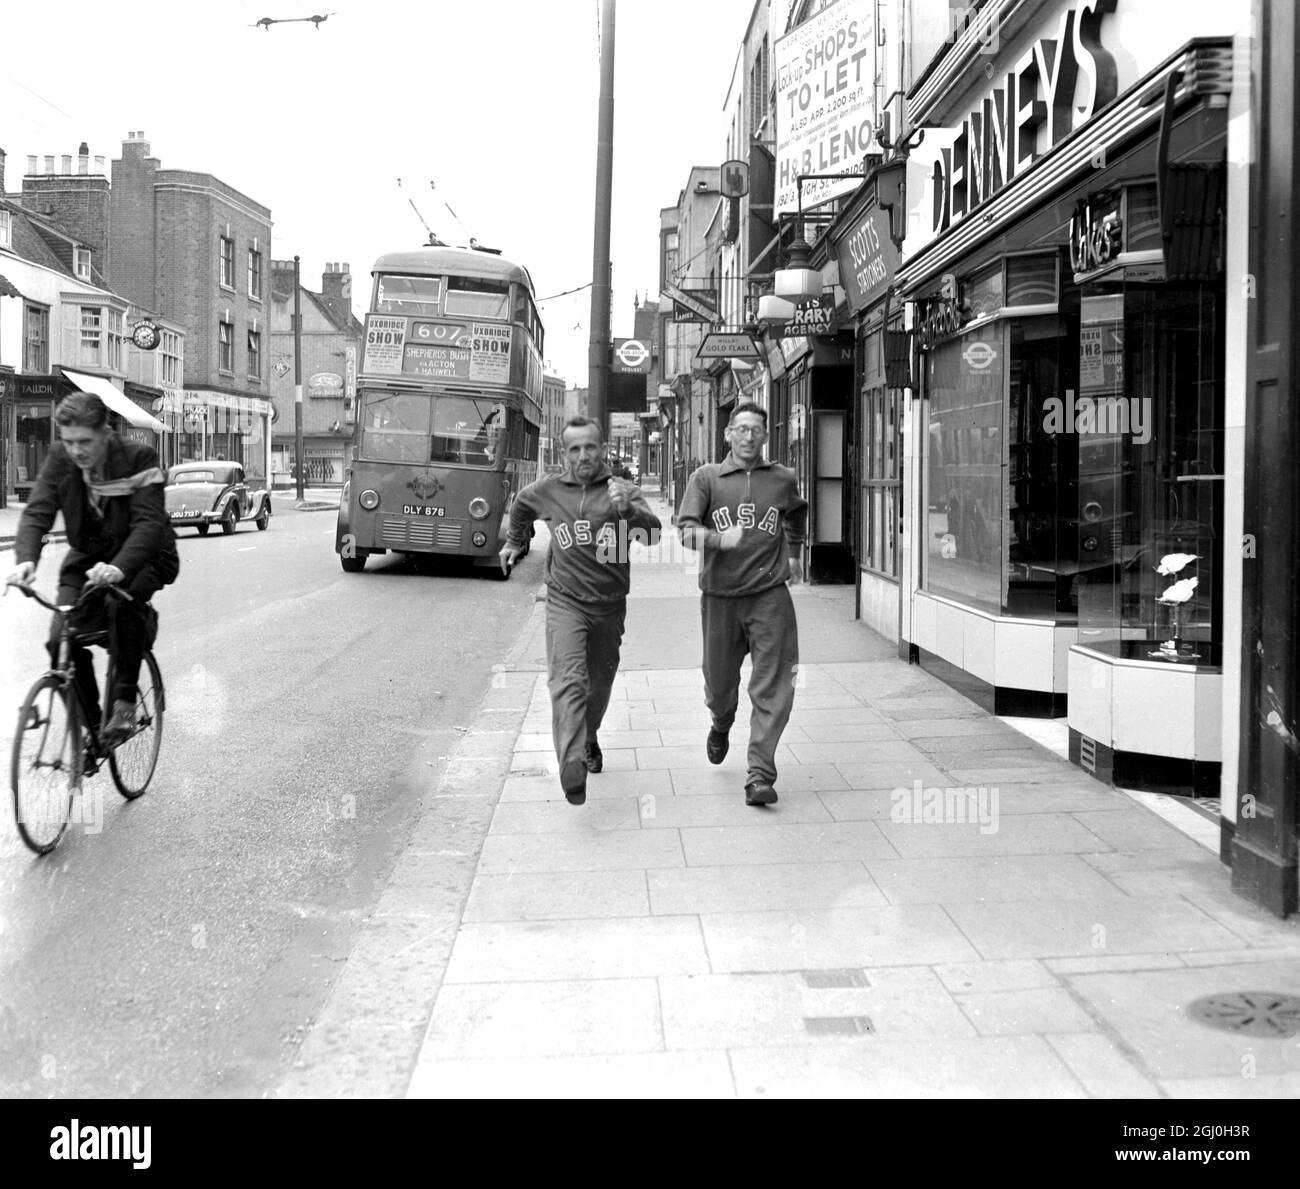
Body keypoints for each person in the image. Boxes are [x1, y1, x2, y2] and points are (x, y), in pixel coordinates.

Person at [5, 392, 180, 749]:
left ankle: (124, 704)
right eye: (68, 441)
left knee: (121, 603)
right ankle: (94, 729)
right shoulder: (60, 458)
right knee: (60, 638)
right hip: (88, 556)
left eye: (84, 441)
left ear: (105, 432)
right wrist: (25, 559)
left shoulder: (137, 457)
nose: (76, 451)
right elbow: (38, 511)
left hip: (142, 554)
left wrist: (117, 568)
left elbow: (148, 525)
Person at [500, 417, 661, 805]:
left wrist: (629, 512)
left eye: (590, 447)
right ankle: (571, 763)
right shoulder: (549, 490)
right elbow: (521, 505)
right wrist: (516, 541)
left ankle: (588, 737)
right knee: (568, 680)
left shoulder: (623, 490)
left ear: (602, 449)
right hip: (565, 600)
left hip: (609, 604)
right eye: (575, 449)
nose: (583, 455)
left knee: (598, 686)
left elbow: (653, 535)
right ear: (564, 453)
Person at [677, 402, 807, 807]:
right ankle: (721, 721)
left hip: (770, 597)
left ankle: (760, 774)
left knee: (775, 684)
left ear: (766, 436)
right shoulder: (706, 478)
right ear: (728, 434)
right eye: (742, 429)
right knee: (719, 686)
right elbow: (684, 530)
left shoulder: (782, 478)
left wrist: (794, 553)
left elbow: (796, 513)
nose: (749, 436)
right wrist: (718, 539)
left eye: (756, 430)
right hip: (721, 598)